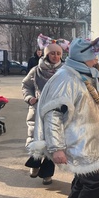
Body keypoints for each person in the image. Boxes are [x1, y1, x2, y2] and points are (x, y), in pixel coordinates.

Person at [29, 37, 99, 198]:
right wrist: (56, 148)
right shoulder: (67, 78)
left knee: (83, 184)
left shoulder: (81, 75)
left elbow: (87, 103)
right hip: (76, 142)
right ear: (85, 57)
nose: (96, 61)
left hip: (86, 141)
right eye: (94, 57)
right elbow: (53, 114)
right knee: (94, 183)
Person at [22, 43, 63, 185]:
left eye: (58, 53)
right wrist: (29, 98)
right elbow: (26, 85)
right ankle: (35, 164)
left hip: (57, 112)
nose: (56, 56)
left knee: (54, 142)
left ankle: (47, 174)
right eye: (52, 53)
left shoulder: (65, 72)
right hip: (38, 109)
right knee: (36, 138)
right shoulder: (36, 70)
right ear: (46, 54)